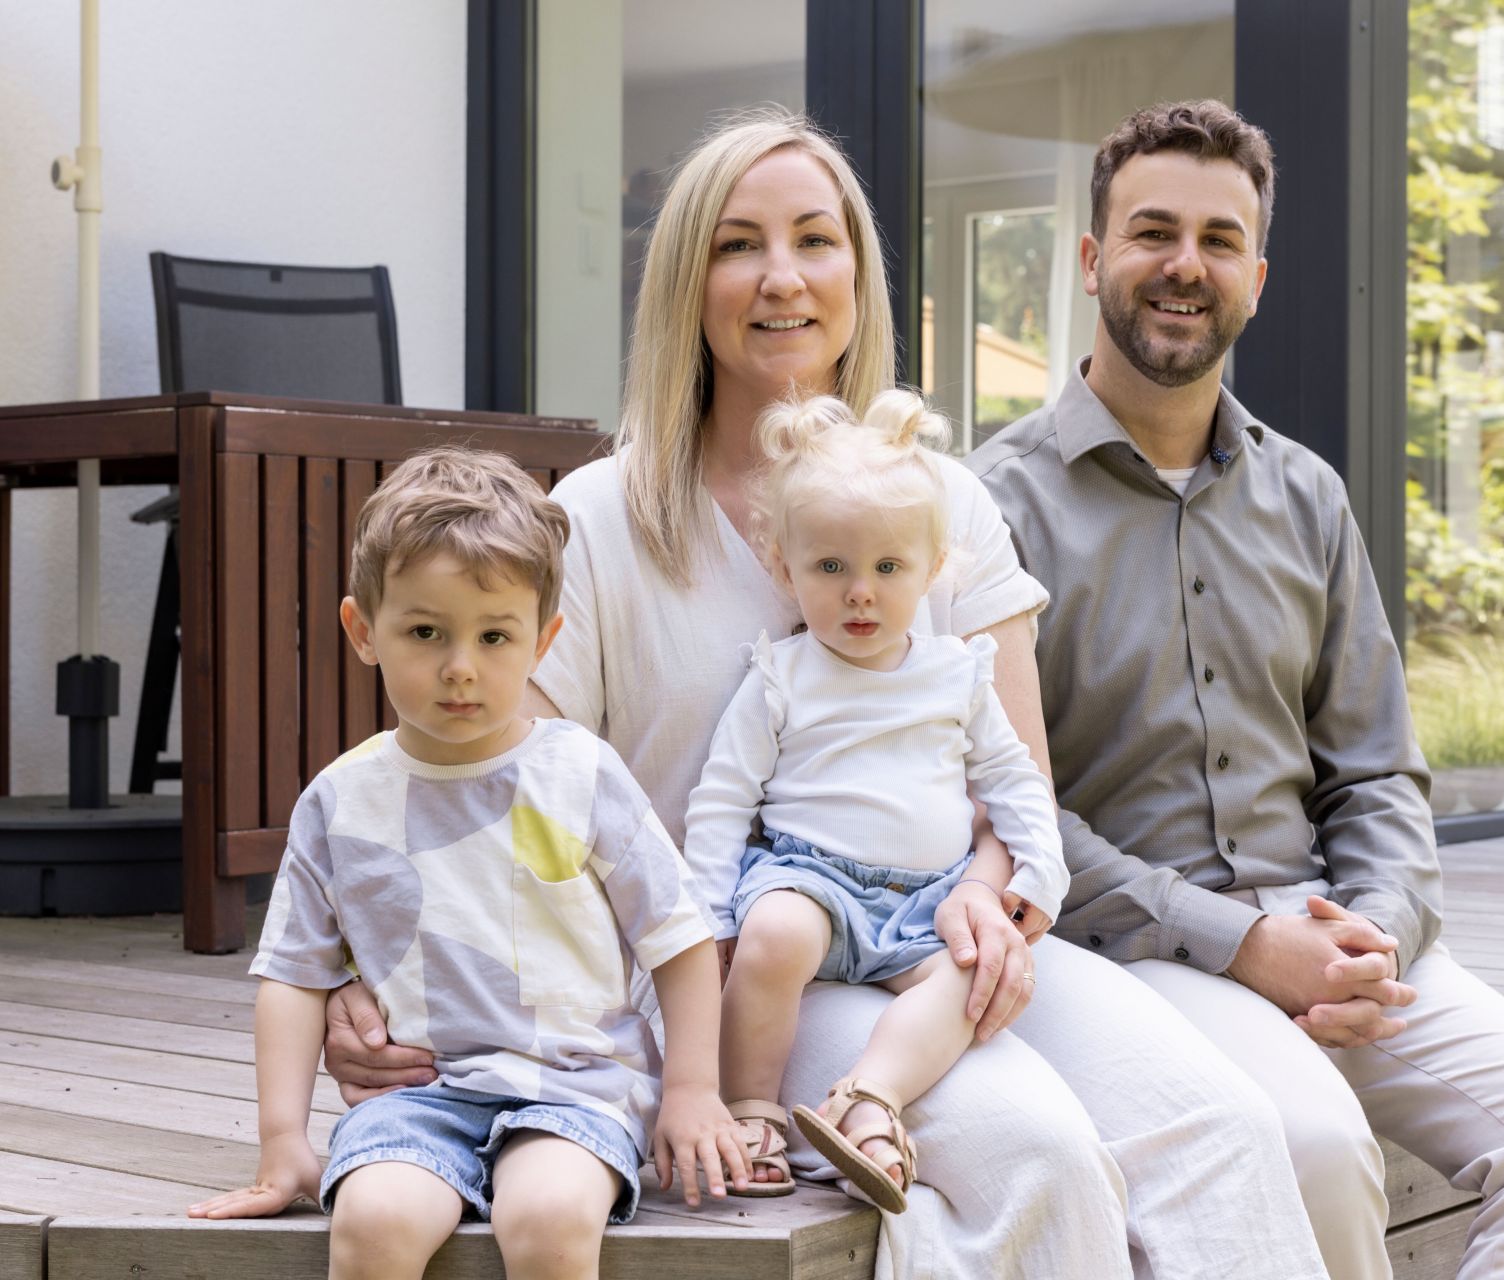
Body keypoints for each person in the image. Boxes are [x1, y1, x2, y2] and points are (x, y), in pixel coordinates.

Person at [319, 108, 1329, 1280]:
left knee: (1223, 1121)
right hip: (749, 976)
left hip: (944, 941)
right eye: (738, 244)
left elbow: (1015, 787)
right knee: (1040, 1150)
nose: (782, 277)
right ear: (686, 280)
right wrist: (359, 971)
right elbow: (497, 806)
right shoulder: (593, 522)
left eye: (815, 239)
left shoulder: (945, 500)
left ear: (859, 273)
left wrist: (992, 900)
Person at [968, 99, 1504, 1279]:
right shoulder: (992, 505)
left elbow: (1376, 767)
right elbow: (1012, 811)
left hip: (1334, 927)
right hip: (1142, 951)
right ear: (1089, 258)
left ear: (1258, 278)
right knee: (1317, 1146)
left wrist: (1376, 929)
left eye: (1220, 240)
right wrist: (1245, 941)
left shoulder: (1309, 497)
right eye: (1153, 232)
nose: (1186, 266)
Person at [186, 448, 746, 1280]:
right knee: (373, 1223)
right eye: (425, 633)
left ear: (543, 640)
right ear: (363, 631)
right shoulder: (341, 802)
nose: (460, 667)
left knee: (548, 1218)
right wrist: (283, 1140)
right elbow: (295, 976)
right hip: (415, 1099)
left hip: (575, 1089)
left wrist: (693, 1090)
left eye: (494, 636)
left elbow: (678, 937)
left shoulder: (580, 775)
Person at [682, 390, 1069, 1213]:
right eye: (831, 568)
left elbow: (1014, 781)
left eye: (888, 568)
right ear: (784, 568)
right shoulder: (782, 676)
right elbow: (722, 800)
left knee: (972, 978)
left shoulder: (956, 674)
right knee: (774, 937)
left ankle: (870, 1098)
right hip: (809, 882)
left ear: (933, 571)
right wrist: (713, 917)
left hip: (927, 902)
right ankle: (751, 1109)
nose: (861, 592)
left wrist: (1040, 874)